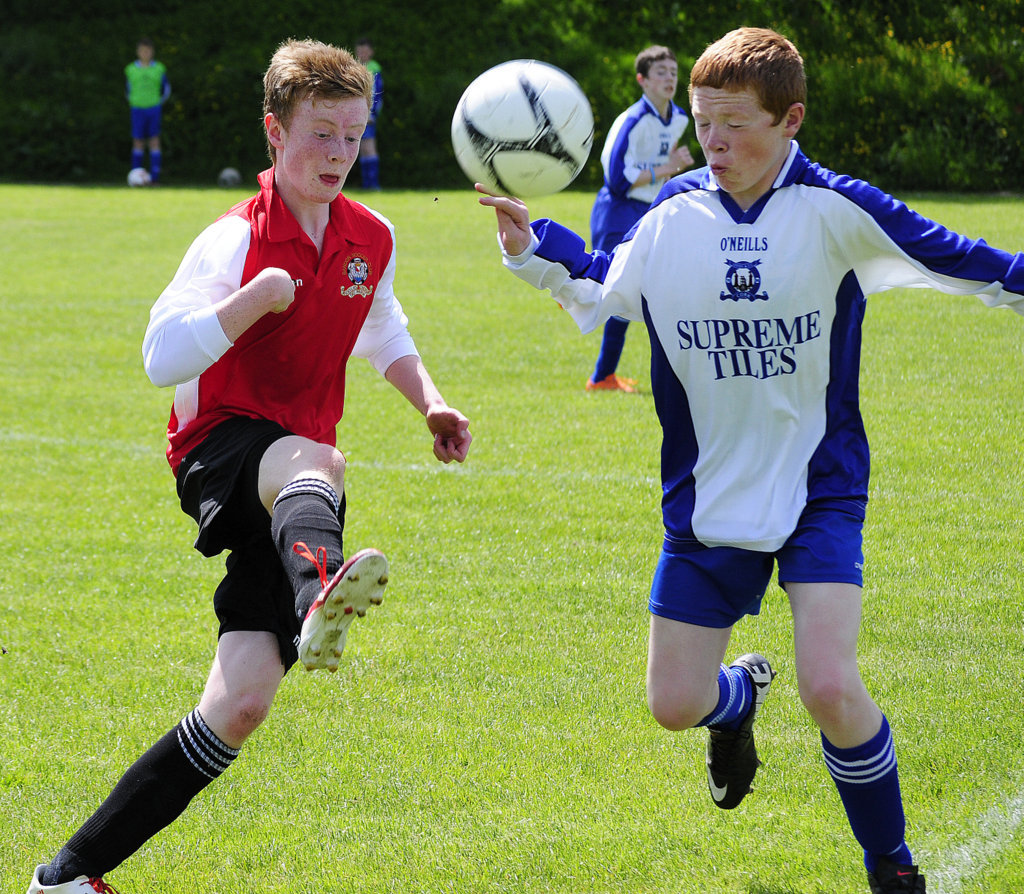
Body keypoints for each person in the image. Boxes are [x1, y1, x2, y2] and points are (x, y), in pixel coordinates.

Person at [479, 26, 1024, 894]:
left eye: (734, 124)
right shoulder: (670, 219)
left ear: (791, 120)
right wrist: (527, 244)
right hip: (706, 501)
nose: (714, 143)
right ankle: (738, 699)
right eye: (703, 124)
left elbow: (973, 263)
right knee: (673, 706)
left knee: (833, 687)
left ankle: (893, 867)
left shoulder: (836, 208)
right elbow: (601, 282)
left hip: (818, 490)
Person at [28, 37, 470, 894]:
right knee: (318, 459)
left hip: (293, 488)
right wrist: (250, 300)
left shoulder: (369, 235)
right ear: (274, 132)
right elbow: (161, 355)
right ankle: (319, 598)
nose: (338, 154)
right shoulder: (233, 239)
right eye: (320, 135)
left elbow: (382, 328)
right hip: (217, 446)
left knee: (237, 707)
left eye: (352, 135)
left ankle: (67, 878)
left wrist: (432, 403)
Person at [586, 45, 694, 393]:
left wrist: (670, 172)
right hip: (619, 211)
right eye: (660, 72)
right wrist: (669, 167)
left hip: (651, 211)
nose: (669, 78)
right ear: (642, 80)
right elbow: (616, 179)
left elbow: (663, 163)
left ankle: (604, 376)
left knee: (654, 289)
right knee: (623, 292)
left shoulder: (679, 116)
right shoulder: (632, 120)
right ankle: (603, 375)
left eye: (673, 72)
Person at [124, 38, 171, 183]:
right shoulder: (131, 69)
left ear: (152, 52)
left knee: (154, 141)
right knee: (138, 141)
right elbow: (127, 90)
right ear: (138, 52)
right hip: (137, 109)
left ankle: (154, 178)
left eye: (148, 50)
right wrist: (135, 102)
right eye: (142, 50)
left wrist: (156, 103)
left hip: (153, 109)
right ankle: (136, 176)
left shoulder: (159, 69)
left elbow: (166, 89)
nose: (145, 53)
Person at [355, 37, 383, 190]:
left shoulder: (374, 68)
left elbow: (377, 94)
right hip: (358, 116)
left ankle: (374, 184)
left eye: (365, 51)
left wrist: (372, 114)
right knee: (362, 149)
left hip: (369, 117)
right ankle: (366, 184)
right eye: (359, 51)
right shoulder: (355, 68)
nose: (362, 54)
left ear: (371, 52)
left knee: (369, 147)